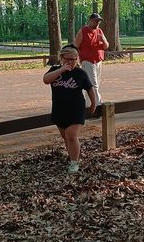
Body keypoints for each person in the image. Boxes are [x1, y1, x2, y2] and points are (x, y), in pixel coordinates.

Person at [43, 44, 98, 173]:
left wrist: (93, 103)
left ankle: (74, 163)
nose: (70, 62)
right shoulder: (55, 70)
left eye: (73, 59)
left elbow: (90, 89)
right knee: (66, 137)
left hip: (76, 109)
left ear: (77, 59)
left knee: (71, 135)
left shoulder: (80, 73)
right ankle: (73, 156)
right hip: (59, 109)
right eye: (67, 59)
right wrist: (61, 70)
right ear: (61, 58)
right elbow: (46, 80)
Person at [74, 12, 109, 104]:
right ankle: (98, 105)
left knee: (95, 84)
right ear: (90, 20)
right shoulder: (83, 31)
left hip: (98, 61)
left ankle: (88, 104)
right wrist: (76, 61)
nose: (97, 23)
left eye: (99, 21)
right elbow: (75, 46)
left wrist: (103, 40)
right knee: (93, 85)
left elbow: (106, 46)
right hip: (87, 62)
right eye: (96, 21)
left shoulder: (99, 31)